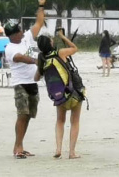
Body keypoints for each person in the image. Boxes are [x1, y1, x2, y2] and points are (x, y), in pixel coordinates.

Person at [4, 0, 46, 160]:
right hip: (21, 84)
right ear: (13, 34)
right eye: (19, 30)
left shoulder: (27, 37)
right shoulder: (10, 48)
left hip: (33, 82)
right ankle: (17, 147)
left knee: (28, 116)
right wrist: (37, 61)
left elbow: (39, 22)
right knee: (22, 114)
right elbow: (20, 58)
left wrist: (41, 5)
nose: (22, 31)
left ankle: (21, 145)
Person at [36, 29, 83, 159]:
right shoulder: (61, 53)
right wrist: (62, 36)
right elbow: (74, 48)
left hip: (59, 96)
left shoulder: (42, 59)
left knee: (60, 121)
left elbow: (36, 77)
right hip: (73, 93)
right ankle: (72, 152)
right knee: (74, 121)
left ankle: (58, 149)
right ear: (50, 43)